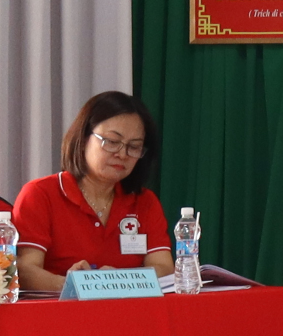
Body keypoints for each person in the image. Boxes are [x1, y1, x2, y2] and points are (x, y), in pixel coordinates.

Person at [11, 92, 169, 294]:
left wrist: (119, 281)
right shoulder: (40, 194)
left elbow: (164, 268)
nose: (122, 154)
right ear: (83, 138)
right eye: (112, 141)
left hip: (129, 309)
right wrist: (78, 285)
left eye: (134, 147)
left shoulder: (145, 202)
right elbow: (24, 270)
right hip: (59, 309)